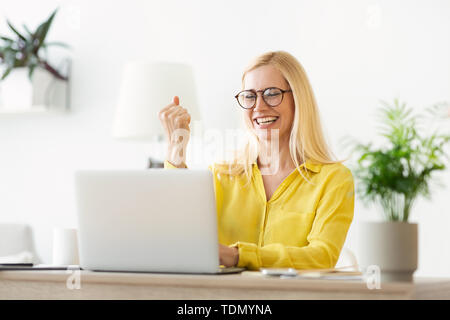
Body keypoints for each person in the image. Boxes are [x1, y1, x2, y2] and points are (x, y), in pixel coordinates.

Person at [158, 51, 354, 270]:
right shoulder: (221, 175)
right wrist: (176, 153)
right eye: (250, 96)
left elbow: (321, 256)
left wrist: (238, 256)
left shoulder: (334, 180)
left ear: (298, 99)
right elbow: (179, 236)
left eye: (271, 94)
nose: (258, 107)